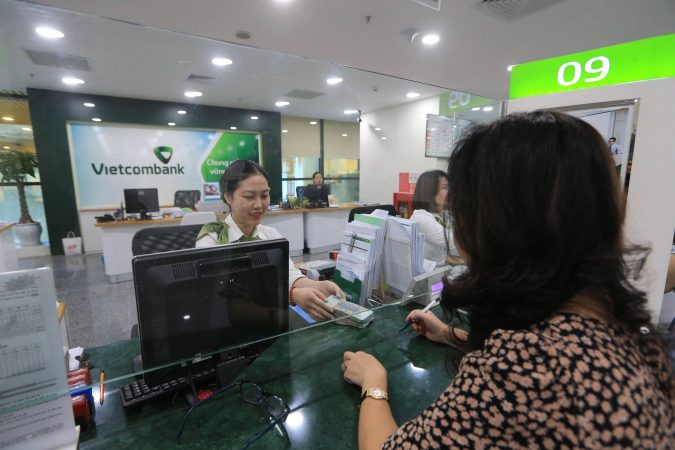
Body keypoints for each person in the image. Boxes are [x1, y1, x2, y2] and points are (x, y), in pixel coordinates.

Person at [342, 111, 674, 449]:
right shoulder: (624, 326)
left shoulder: (522, 371)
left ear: (496, 224)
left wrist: (373, 383)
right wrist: (449, 335)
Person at [196, 160, 343, 321]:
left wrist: (319, 286)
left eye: (264, 195)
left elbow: (289, 275)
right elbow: (224, 297)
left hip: (272, 322)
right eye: (249, 196)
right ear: (228, 197)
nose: (259, 205)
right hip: (228, 327)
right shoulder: (212, 239)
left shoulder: (271, 236)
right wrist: (291, 295)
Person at [409, 170, 458, 266]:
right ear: (429, 191)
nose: (450, 192)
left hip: (446, 268)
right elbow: (455, 245)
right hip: (432, 274)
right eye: (445, 188)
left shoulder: (446, 214)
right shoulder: (421, 218)